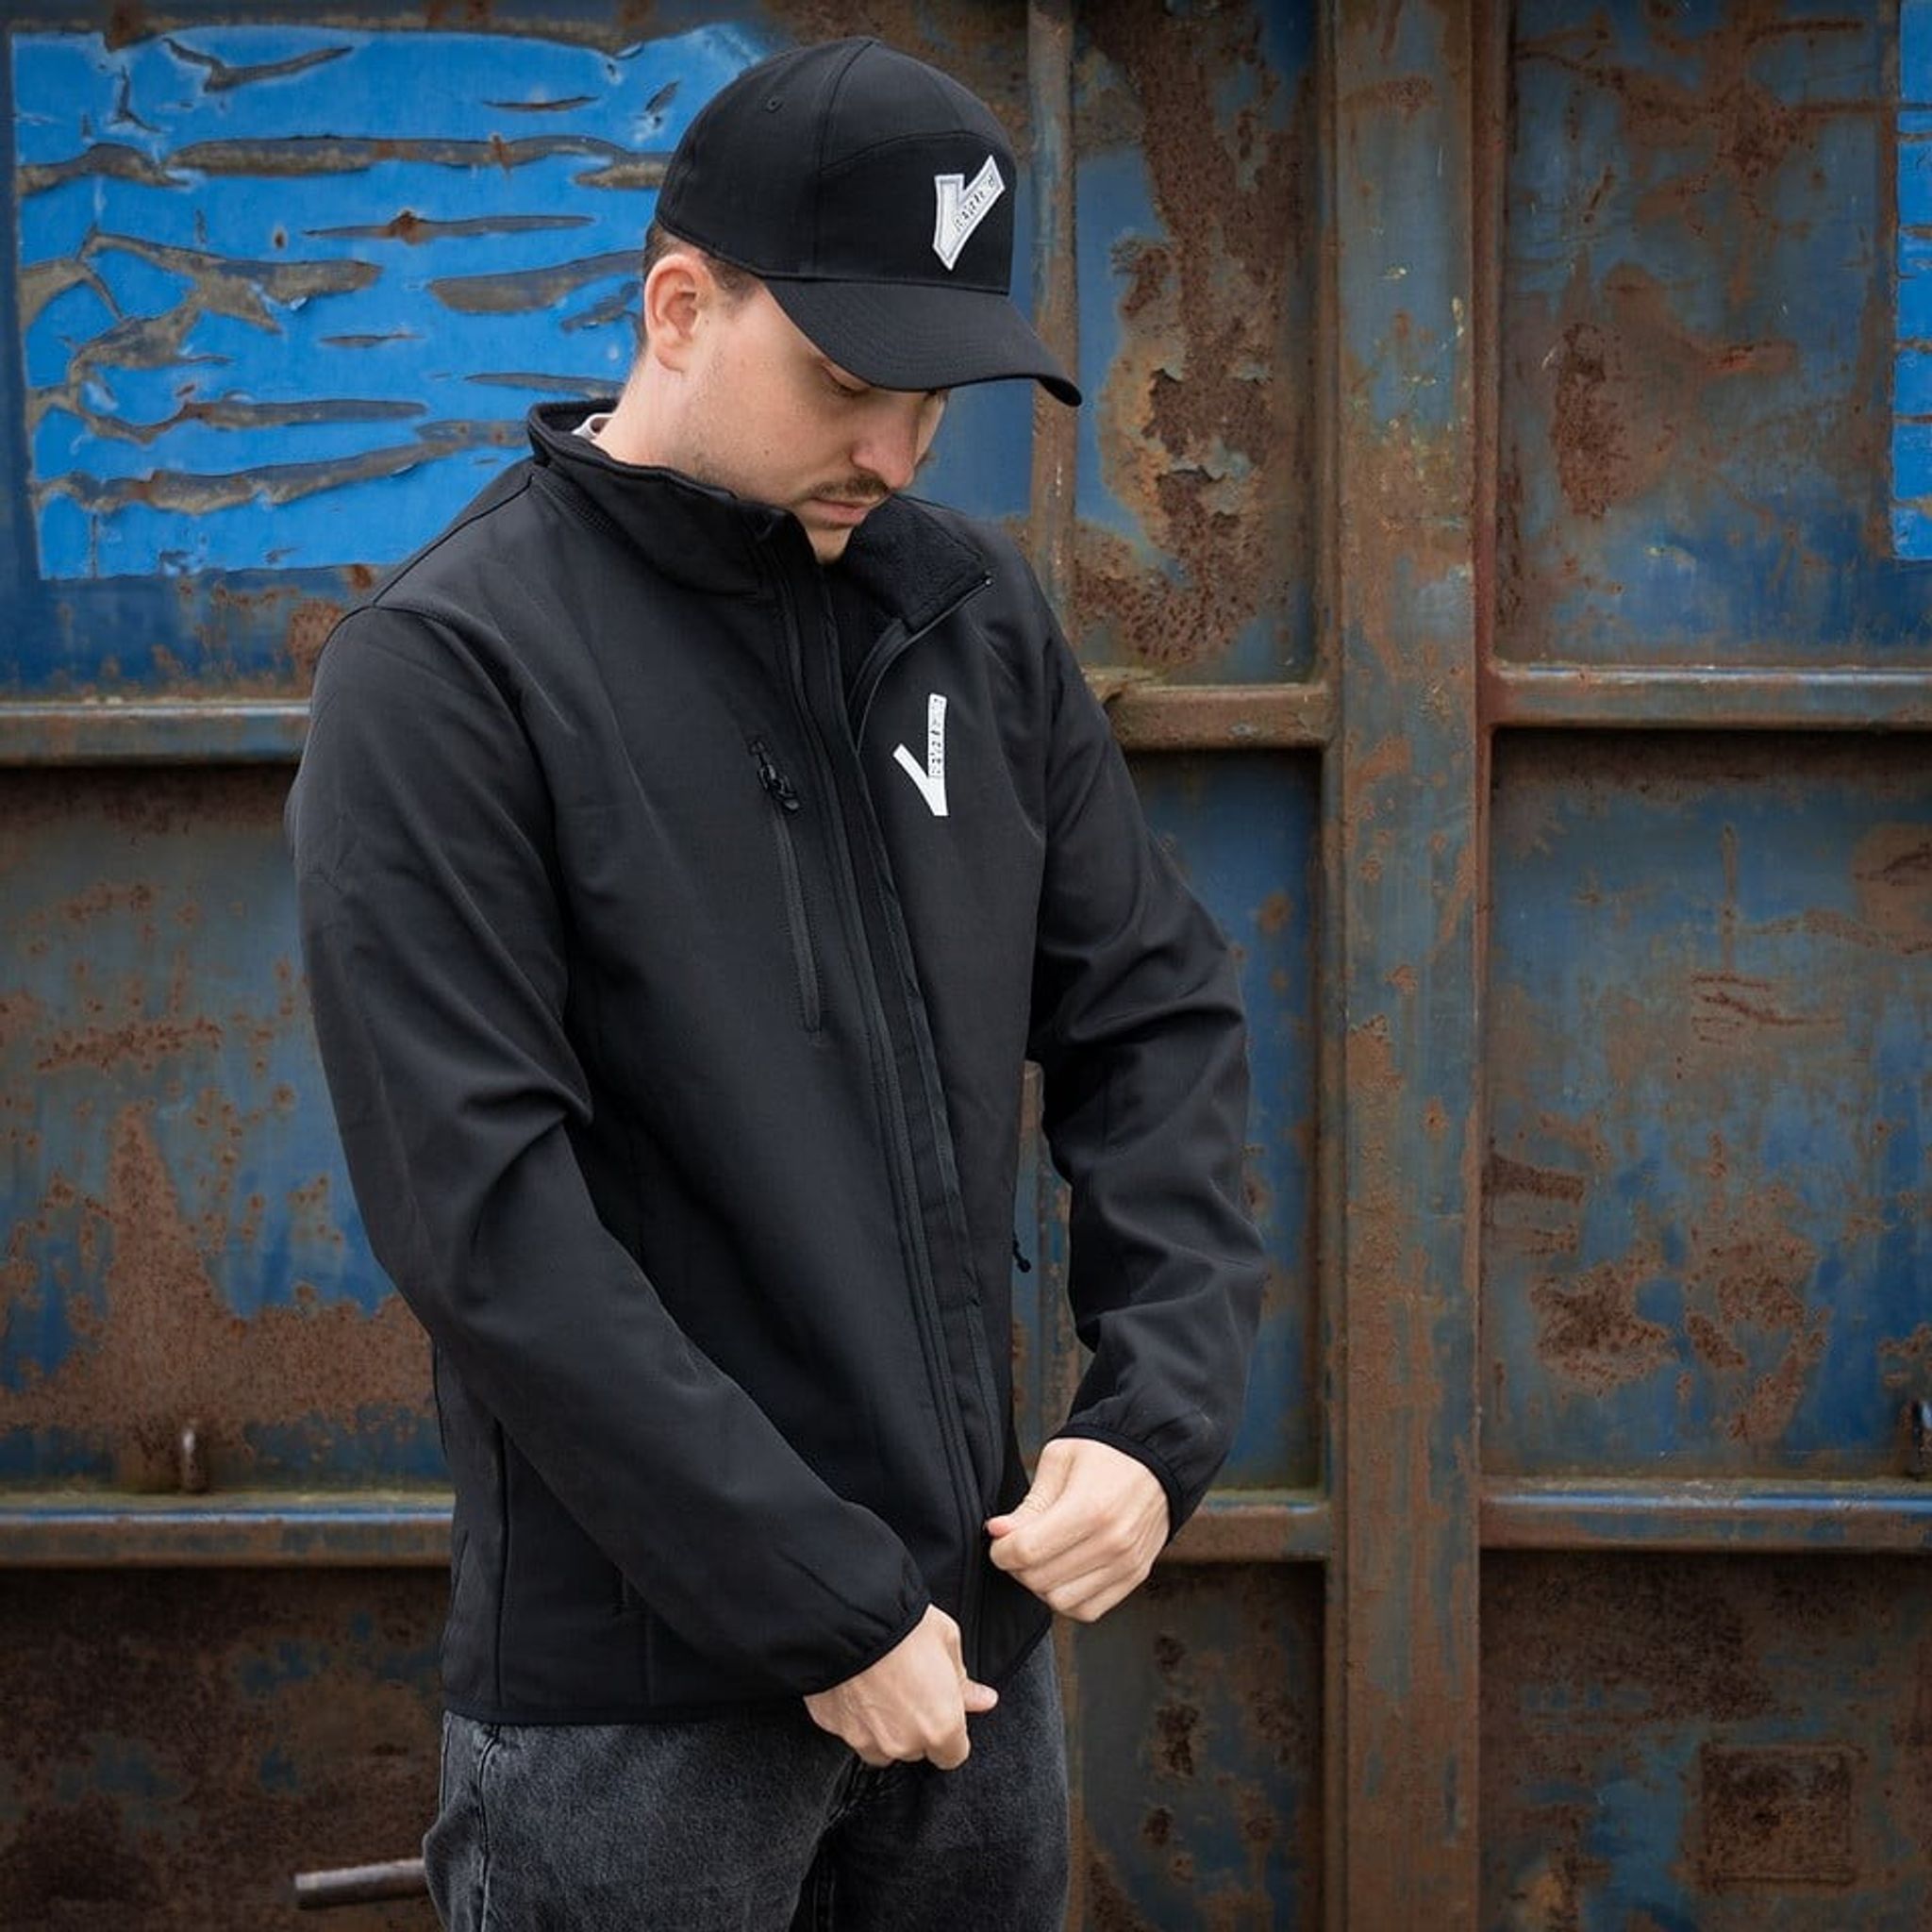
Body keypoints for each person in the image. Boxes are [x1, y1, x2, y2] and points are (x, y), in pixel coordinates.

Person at [288, 35, 1264, 1932]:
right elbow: (485, 1216)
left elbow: (1153, 1019)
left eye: (933, 399)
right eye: (847, 383)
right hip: (637, 1723)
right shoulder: (451, 671)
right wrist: (814, 1601)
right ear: (679, 307)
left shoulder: (967, 619)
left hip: (969, 1677)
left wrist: (1155, 1416)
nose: (896, 454)